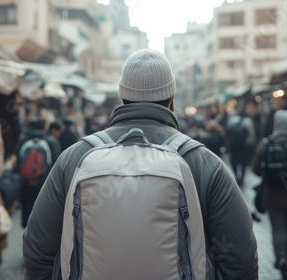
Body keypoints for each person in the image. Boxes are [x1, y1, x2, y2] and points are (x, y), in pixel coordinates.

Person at [22, 49, 258, 280]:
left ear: (122, 97)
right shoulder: (205, 164)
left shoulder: (74, 158)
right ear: (171, 98)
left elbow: (36, 249)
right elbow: (240, 257)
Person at [251, 110, 287, 279]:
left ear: (276, 124)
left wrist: (269, 176)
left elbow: (255, 169)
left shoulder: (265, 144)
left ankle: (280, 258)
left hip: (271, 195)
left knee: (277, 229)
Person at [16, 118, 61, 228]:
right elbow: (57, 164)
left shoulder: (24, 139)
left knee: (26, 206)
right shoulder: (51, 141)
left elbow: (18, 161)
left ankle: (26, 229)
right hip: (43, 181)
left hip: (25, 181)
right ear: (45, 127)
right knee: (41, 208)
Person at [226, 107, 256, 186]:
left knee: (234, 162)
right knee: (243, 163)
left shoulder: (231, 120)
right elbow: (251, 136)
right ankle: (242, 179)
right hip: (244, 146)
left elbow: (228, 133)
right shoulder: (248, 121)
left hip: (233, 147)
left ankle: (236, 176)